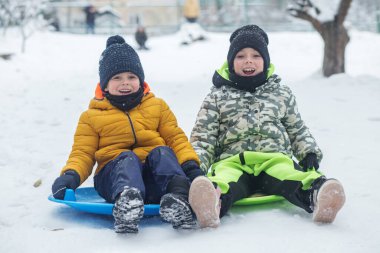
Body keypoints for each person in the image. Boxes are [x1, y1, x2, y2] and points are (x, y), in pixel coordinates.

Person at [188, 25, 346, 228]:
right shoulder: (217, 97)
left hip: (273, 158)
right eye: (240, 56)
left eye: (256, 55)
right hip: (232, 161)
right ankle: (211, 202)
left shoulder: (280, 93)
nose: (248, 61)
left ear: (266, 61)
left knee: (290, 175)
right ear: (230, 62)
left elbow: (296, 128)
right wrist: (196, 165)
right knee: (224, 179)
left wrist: (308, 152)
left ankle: (318, 195)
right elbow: (203, 137)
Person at [51, 35, 204, 233]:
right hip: (113, 180)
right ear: (104, 85)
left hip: (153, 179)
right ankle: (127, 203)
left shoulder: (157, 106)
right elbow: (83, 153)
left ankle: (177, 199)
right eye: (117, 78)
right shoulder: (91, 116)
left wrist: (191, 168)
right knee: (127, 157)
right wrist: (70, 177)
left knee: (162, 151)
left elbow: (176, 139)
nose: (125, 83)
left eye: (132, 77)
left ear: (141, 81)